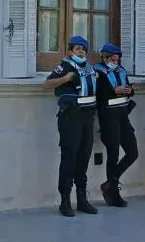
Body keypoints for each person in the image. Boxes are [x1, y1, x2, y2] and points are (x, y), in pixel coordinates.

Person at [44, 35, 98, 217]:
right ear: (70, 51)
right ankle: (65, 201)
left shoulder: (89, 68)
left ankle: (82, 199)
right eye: (77, 49)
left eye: (83, 49)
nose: (81, 52)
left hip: (87, 117)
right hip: (71, 118)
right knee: (70, 157)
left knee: (84, 157)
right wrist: (66, 78)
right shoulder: (65, 66)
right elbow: (47, 84)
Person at [94, 43, 138, 208]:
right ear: (104, 58)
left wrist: (128, 90)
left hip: (123, 116)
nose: (116, 62)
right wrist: (114, 91)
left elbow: (127, 89)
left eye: (117, 60)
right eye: (112, 59)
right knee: (113, 153)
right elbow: (98, 94)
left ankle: (110, 182)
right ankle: (112, 192)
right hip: (108, 117)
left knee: (133, 152)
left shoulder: (121, 70)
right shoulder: (98, 72)